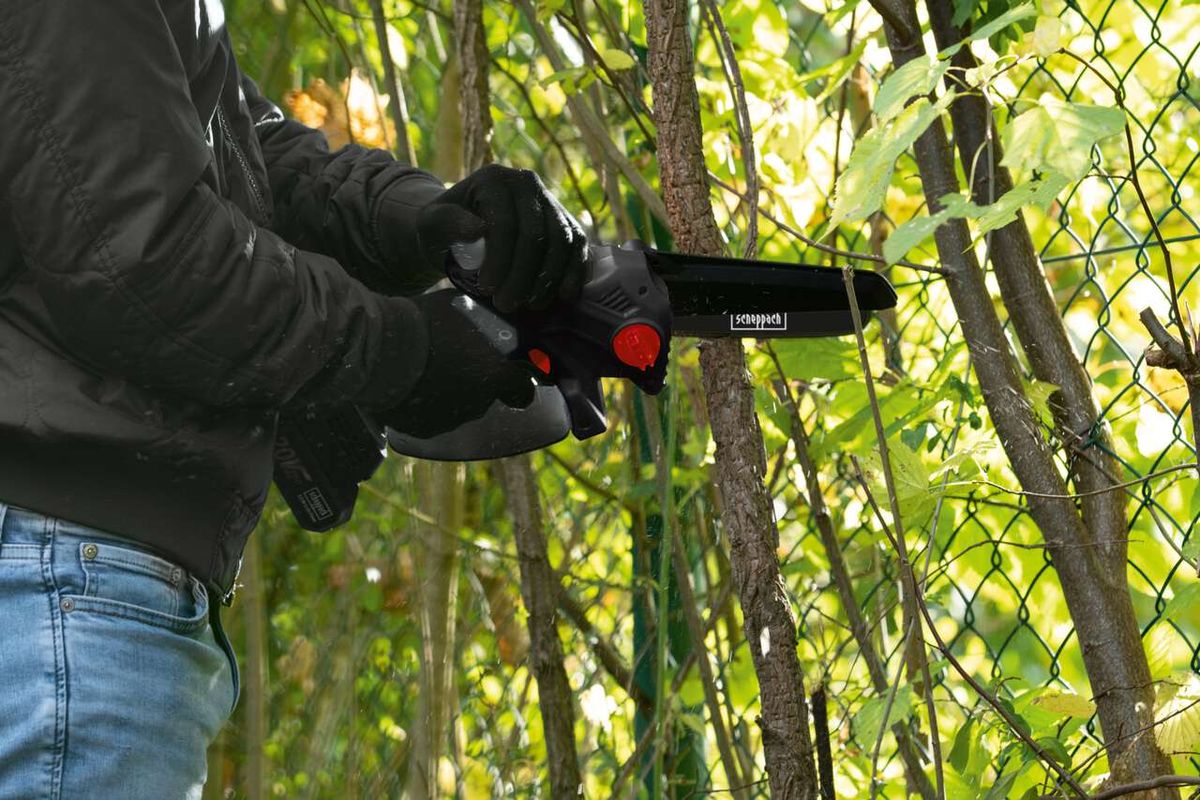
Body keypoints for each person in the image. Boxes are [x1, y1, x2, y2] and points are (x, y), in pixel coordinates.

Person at [0, 0, 587, 797]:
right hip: (64, 577)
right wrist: (403, 353)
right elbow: (139, 259)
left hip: (65, 579)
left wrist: (423, 218)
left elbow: (236, 150)